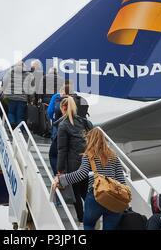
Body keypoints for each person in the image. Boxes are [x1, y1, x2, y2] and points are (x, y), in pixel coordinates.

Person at [53, 127, 126, 230]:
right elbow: (121, 181)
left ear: (90, 140)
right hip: (113, 198)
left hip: (95, 196)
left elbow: (81, 174)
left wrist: (61, 179)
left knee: (88, 225)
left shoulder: (89, 156)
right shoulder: (114, 157)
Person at [56, 96, 93, 224]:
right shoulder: (84, 122)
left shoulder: (63, 125)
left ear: (64, 108)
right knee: (85, 192)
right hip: (88, 162)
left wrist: (60, 169)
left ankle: (82, 219)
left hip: (73, 164)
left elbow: (62, 149)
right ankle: (92, 214)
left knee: (76, 193)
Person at [1, 61, 34, 129]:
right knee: (20, 116)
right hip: (22, 99)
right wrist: (31, 99)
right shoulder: (29, 75)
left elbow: (4, 82)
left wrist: (4, 91)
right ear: (23, 66)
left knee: (11, 112)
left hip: (10, 97)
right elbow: (31, 89)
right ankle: (20, 130)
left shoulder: (9, 72)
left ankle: (12, 123)